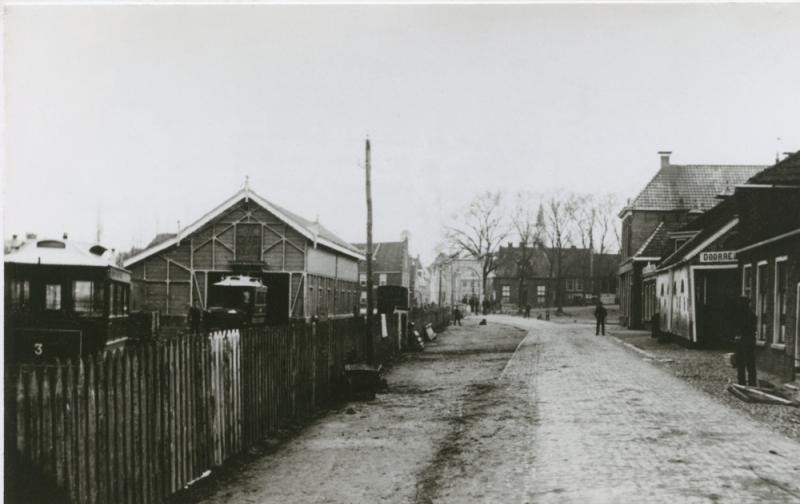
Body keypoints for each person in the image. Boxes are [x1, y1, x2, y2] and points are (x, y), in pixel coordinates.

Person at [735, 296, 758, 386]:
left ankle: (743, 382)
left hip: (746, 341)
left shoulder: (746, 315)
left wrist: (739, 335)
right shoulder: (751, 315)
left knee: (744, 362)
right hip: (748, 341)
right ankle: (751, 383)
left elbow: (747, 328)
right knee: (748, 362)